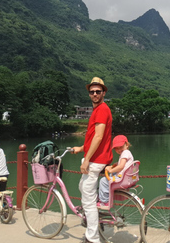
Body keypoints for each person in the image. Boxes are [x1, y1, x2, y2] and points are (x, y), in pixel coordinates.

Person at [72, 77, 113, 243]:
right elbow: (93, 138)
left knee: (87, 201)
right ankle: (97, 217)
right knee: (83, 187)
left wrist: (86, 160)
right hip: (95, 157)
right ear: (89, 93)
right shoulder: (97, 110)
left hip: (96, 160)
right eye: (92, 91)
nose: (95, 94)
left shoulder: (102, 110)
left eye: (98, 91)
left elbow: (99, 136)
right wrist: (81, 148)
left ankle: (92, 238)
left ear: (103, 92)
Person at [97, 134, 134, 210]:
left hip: (122, 178)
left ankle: (104, 201)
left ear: (126, 144)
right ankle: (103, 196)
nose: (119, 150)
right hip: (127, 177)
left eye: (121, 147)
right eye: (116, 149)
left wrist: (111, 170)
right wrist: (114, 165)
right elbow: (121, 164)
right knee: (110, 176)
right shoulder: (126, 153)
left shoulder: (125, 153)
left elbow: (121, 166)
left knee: (103, 181)